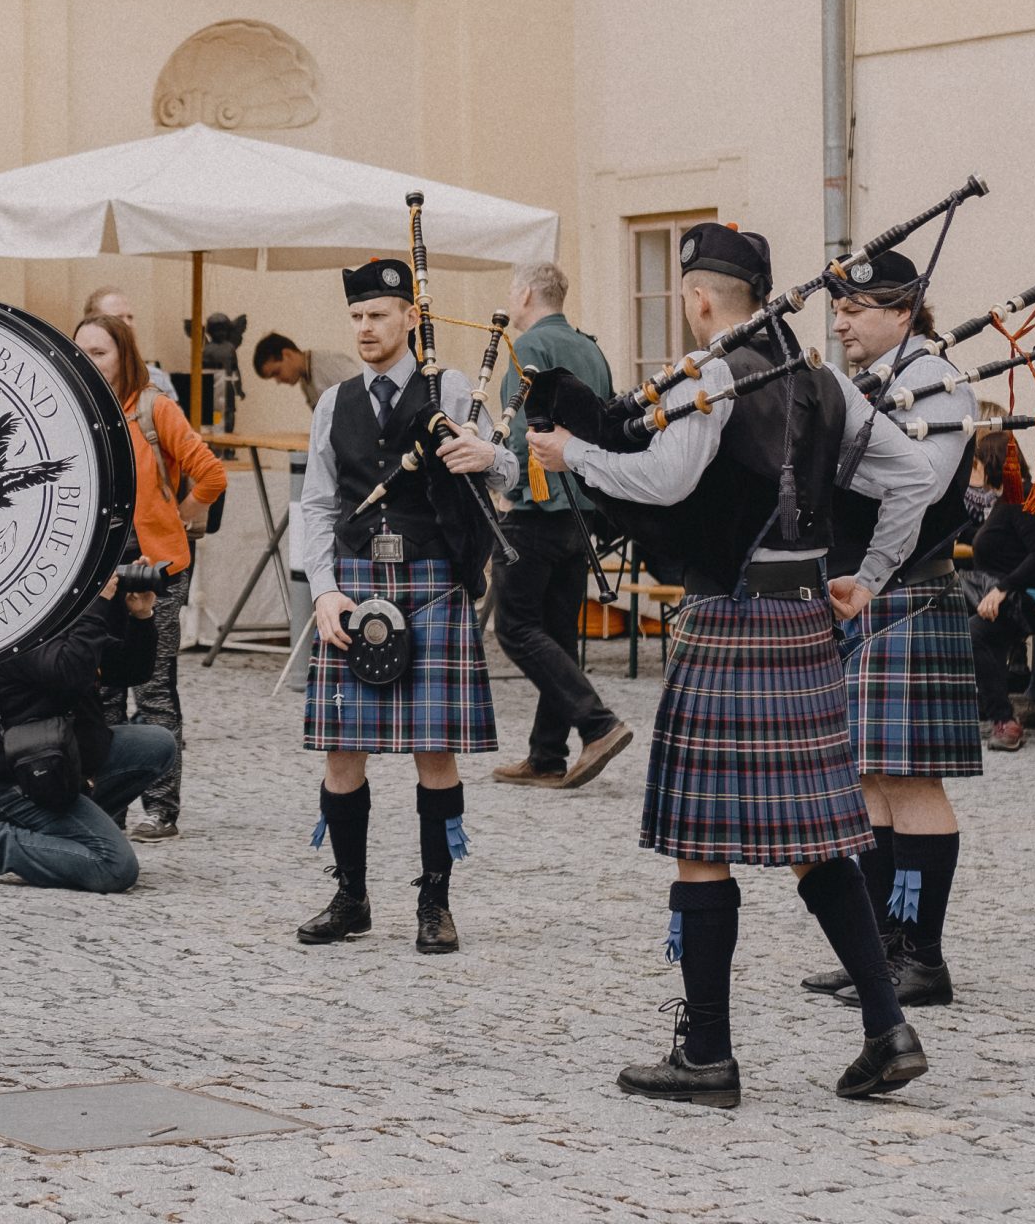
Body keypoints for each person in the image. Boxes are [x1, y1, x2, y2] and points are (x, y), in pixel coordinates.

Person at [529, 222, 932, 1109]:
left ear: (699, 297)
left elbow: (665, 482)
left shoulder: (710, 374)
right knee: (817, 840)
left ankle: (707, 1054)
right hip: (804, 621)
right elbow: (915, 479)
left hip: (729, 619)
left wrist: (572, 454)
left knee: (701, 841)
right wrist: (867, 576)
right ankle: (887, 1027)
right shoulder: (824, 382)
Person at [293, 257, 515, 956]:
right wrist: (323, 588)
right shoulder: (334, 403)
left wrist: (487, 458)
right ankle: (351, 897)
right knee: (341, 753)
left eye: (377, 315)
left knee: (434, 752)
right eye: (356, 316)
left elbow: (509, 470)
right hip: (355, 585)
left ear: (410, 318)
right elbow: (318, 504)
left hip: (432, 583)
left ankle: (435, 903)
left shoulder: (453, 388)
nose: (364, 328)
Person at [819, 250, 980, 1011]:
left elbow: (923, 483)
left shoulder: (936, 380)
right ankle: (882, 953)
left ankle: (924, 958)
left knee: (912, 782)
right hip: (862, 597)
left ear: (903, 311)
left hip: (909, 594)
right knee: (870, 780)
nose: (841, 323)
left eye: (855, 309)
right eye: (838, 310)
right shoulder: (868, 384)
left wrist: (834, 454)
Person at [74, 313, 227, 840]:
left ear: (124, 356)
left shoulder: (153, 408)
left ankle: (161, 809)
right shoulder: (76, 411)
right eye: (82, 351)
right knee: (103, 694)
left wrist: (179, 516)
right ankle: (108, 807)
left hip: (155, 569)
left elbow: (211, 473)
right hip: (96, 573)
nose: (89, 362)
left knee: (155, 690)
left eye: (100, 353)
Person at [485, 261, 634, 790]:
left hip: (536, 505)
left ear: (526, 294)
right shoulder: (590, 348)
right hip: (583, 507)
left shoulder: (527, 346)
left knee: (515, 628)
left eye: (512, 291)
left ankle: (598, 724)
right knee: (557, 633)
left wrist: (505, 490)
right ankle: (546, 755)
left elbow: (517, 429)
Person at [0, 580, 179, 891]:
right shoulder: (16, 629)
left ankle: (64, 832)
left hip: (62, 764)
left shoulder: (60, 617)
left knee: (157, 745)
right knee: (115, 868)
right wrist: (97, 605)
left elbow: (129, 670)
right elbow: (69, 672)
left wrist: (141, 616)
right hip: (16, 777)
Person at [962, 429, 1035, 752]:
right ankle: (974, 705)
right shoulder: (1009, 499)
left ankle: (1004, 720)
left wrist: (1002, 589)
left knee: (974, 633)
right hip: (1009, 597)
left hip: (1030, 602)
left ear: (989, 464)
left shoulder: (1022, 496)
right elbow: (1002, 540)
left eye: (976, 464)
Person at [84, 286, 173, 395]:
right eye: (118, 318)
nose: (128, 324)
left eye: (130, 317)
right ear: (92, 323)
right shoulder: (80, 377)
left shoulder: (157, 379)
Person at [252, 332, 364, 412]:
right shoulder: (306, 382)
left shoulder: (328, 364)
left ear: (287, 354)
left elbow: (366, 397)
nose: (278, 381)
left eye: (276, 372)